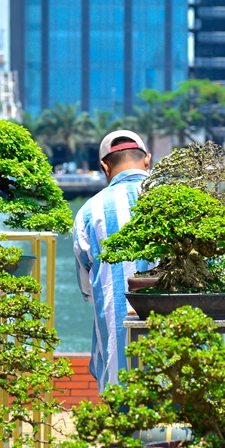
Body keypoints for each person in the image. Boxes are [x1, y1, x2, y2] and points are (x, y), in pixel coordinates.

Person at [73, 129, 152, 393]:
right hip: (181, 350)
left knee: (125, 419)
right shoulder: (184, 202)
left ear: (105, 166)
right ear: (147, 160)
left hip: (118, 352)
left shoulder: (89, 211)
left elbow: (87, 289)